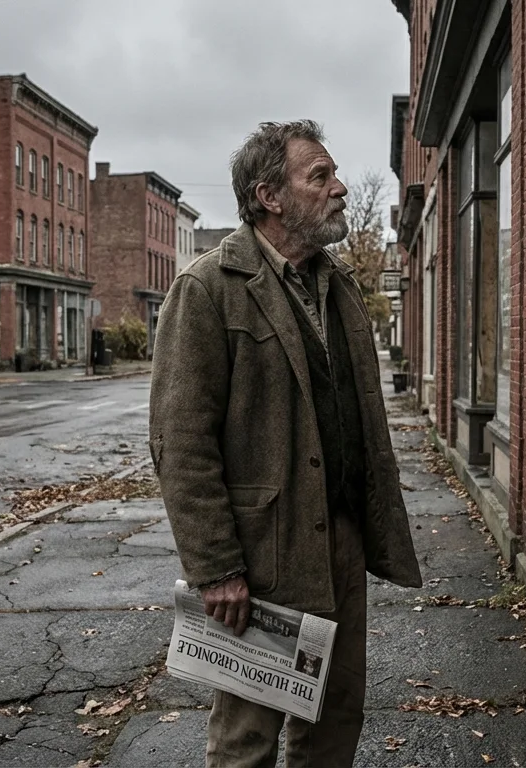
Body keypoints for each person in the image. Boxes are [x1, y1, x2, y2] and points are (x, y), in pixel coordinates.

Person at [149, 120, 422, 767]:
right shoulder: (209, 288)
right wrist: (217, 567)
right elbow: (180, 441)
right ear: (271, 195)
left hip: (341, 543)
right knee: (249, 741)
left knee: (334, 723)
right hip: (263, 558)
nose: (340, 188)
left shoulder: (338, 286)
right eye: (320, 176)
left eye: (334, 175)